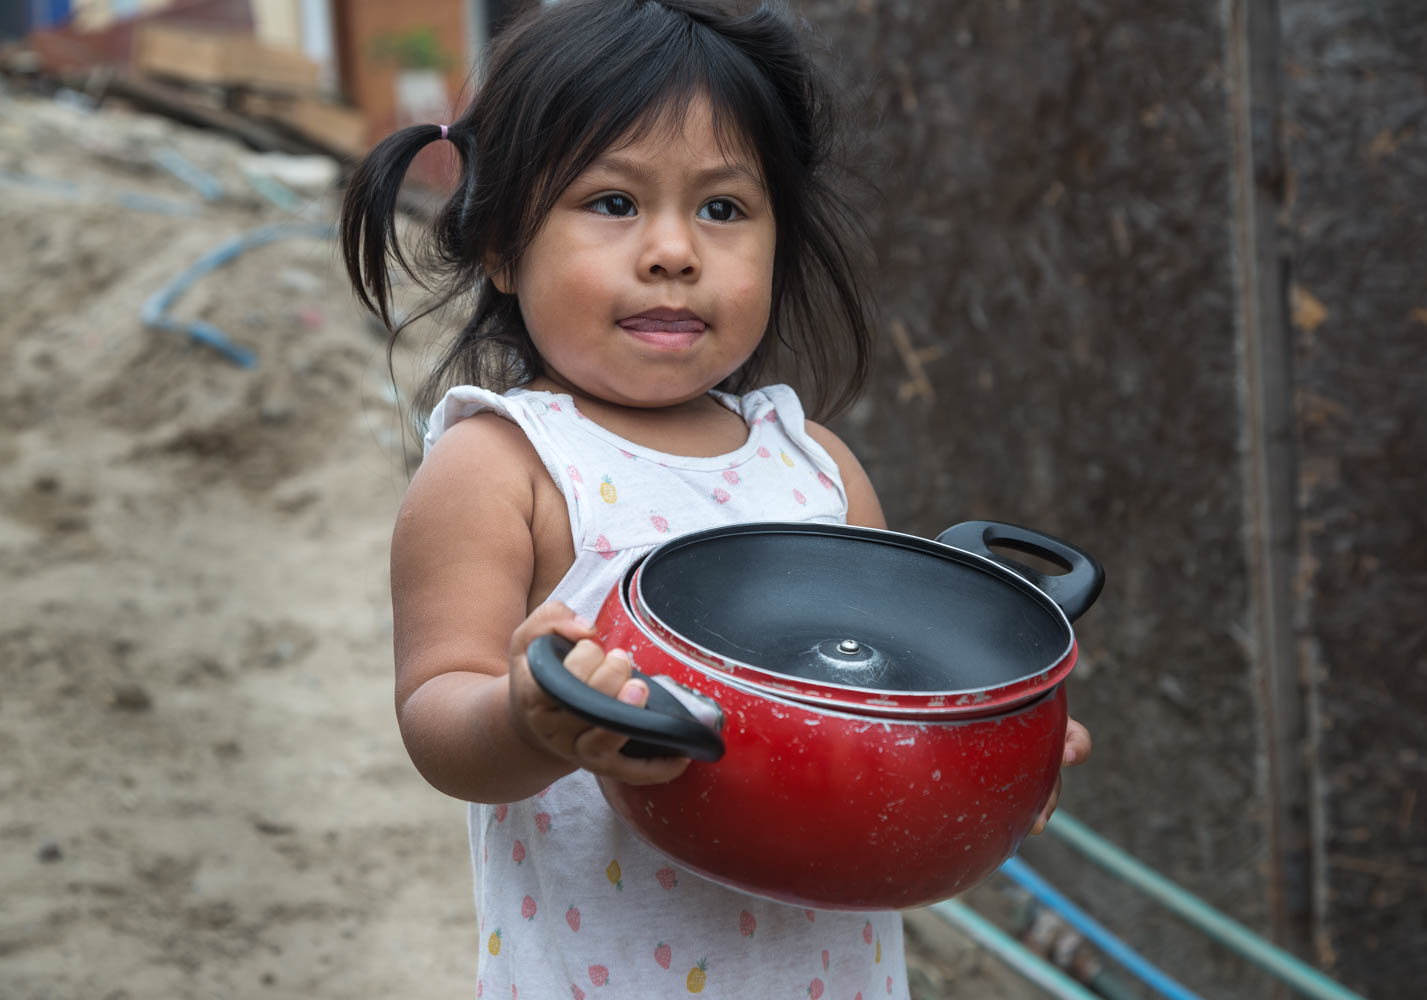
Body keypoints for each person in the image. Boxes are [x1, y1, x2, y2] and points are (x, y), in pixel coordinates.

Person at [340, 1, 1091, 996]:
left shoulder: (815, 465)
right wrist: (526, 725)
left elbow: (879, 702)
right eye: (612, 202)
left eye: (724, 209)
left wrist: (988, 764)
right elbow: (438, 714)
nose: (673, 251)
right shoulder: (503, 468)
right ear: (501, 244)